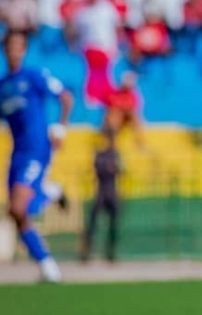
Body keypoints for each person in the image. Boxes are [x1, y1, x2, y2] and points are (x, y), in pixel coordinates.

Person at [0, 30, 74, 282]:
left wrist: (61, 128)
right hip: (17, 154)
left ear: (24, 49)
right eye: (10, 46)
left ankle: (50, 192)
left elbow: (65, 97)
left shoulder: (33, 76)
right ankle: (46, 265)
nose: (14, 50)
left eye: (19, 45)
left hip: (36, 149)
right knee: (16, 213)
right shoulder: (3, 88)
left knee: (19, 206)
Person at [81, 130, 123, 263]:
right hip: (101, 192)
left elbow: (120, 171)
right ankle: (86, 252)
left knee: (114, 225)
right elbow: (99, 169)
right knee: (92, 224)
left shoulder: (116, 154)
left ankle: (111, 253)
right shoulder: (100, 154)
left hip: (112, 192)